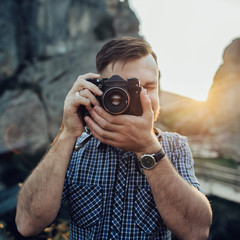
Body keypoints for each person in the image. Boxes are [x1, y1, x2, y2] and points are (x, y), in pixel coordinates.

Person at [15, 37, 212, 239]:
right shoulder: (75, 148)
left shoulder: (175, 147)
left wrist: (147, 148)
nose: (141, 98)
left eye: (149, 87)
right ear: (100, 91)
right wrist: (67, 133)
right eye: (126, 90)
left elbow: (196, 232)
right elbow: (27, 223)